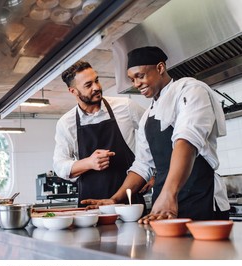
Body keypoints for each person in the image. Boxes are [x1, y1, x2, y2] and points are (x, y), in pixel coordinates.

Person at [82, 46, 230, 223]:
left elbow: (187, 141)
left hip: (200, 198)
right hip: (163, 207)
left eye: (140, 76)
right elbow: (143, 165)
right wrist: (115, 199)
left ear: (160, 68)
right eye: (132, 79)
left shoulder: (190, 90)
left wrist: (169, 194)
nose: (136, 84)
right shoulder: (147, 116)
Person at [53, 60, 147, 207]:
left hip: (129, 202)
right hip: (91, 207)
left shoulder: (126, 107)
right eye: (88, 85)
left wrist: (154, 174)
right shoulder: (66, 123)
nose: (96, 87)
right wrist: (89, 163)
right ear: (73, 91)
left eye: (96, 80)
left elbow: (155, 134)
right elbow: (59, 166)